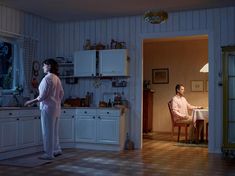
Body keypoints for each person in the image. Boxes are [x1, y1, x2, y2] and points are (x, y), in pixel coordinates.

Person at [24, 59, 64, 160]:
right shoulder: (57, 78)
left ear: (49, 66)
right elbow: (62, 93)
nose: (43, 67)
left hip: (47, 108)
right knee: (54, 131)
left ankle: (48, 154)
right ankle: (56, 149)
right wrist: (56, 101)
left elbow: (41, 97)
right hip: (56, 108)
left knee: (47, 131)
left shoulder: (47, 79)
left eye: (44, 65)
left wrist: (30, 102)